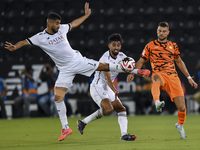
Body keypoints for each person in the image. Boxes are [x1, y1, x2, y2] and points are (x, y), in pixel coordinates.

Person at [5, 3, 150, 141]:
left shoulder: (62, 29)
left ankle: (136, 71)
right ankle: (65, 128)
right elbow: (24, 41)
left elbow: (73, 24)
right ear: (50, 23)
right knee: (57, 97)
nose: (59, 25)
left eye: (59, 23)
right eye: (56, 23)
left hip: (77, 60)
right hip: (65, 69)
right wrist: (15, 47)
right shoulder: (40, 37)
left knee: (103, 66)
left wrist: (86, 15)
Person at [127, 22, 198, 139]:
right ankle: (157, 102)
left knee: (182, 107)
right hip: (159, 74)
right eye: (160, 31)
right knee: (155, 80)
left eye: (164, 31)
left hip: (173, 77)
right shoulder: (150, 46)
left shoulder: (173, 46)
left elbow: (179, 62)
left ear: (168, 32)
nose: (161, 33)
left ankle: (180, 125)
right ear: (157, 31)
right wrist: (133, 72)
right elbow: (141, 61)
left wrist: (189, 78)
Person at [77, 33, 138, 141]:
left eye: (118, 45)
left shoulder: (122, 56)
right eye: (114, 45)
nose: (116, 47)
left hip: (108, 87)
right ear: (109, 46)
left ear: (120, 46)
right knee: (108, 109)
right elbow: (107, 78)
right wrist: (114, 90)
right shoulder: (104, 58)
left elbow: (132, 66)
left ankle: (124, 135)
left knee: (121, 109)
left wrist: (132, 73)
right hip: (98, 85)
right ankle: (84, 121)